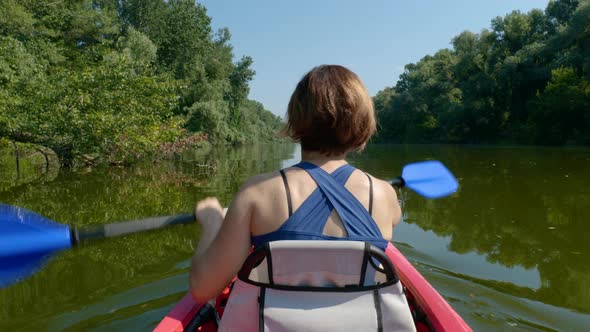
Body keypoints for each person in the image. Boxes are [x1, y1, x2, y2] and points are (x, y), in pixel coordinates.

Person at [189, 64, 402, 303]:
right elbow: (393, 219)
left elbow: (202, 290)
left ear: (296, 118)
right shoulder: (385, 194)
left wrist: (213, 223)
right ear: (362, 123)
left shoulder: (256, 193)